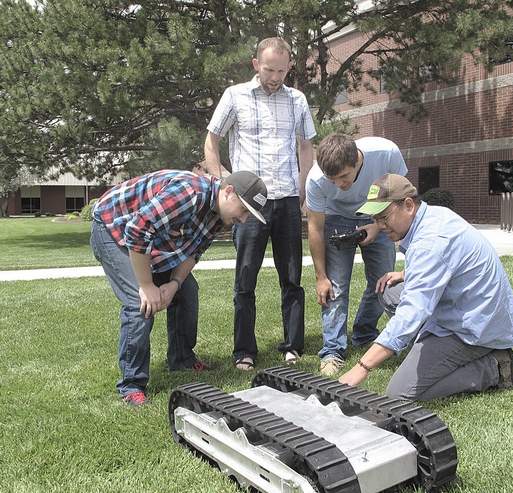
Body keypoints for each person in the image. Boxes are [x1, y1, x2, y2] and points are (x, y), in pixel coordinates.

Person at [339, 174, 513, 400]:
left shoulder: (432, 240)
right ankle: (429, 351)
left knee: (400, 392)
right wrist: (405, 274)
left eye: (383, 217)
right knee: (390, 291)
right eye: (376, 218)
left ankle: (493, 368)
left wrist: (362, 367)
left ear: (408, 205)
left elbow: (413, 311)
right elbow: (447, 265)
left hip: (472, 327)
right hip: (462, 308)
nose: (380, 225)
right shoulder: (432, 216)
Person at [90, 169, 267, 405]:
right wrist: (146, 285)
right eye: (244, 210)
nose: (244, 219)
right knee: (139, 303)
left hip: (142, 234)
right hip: (112, 226)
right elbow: (137, 230)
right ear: (229, 192)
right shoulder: (190, 193)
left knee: (187, 290)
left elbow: (193, 251)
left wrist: (174, 284)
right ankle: (131, 385)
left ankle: (181, 359)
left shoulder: (219, 213)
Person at [203, 37, 316, 370]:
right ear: (255, 64)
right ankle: (244, 351)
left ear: (289, 68)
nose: (275, 76)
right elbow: (211, 141)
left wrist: (303, 187)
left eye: (282, 70)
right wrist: (223, 182)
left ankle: (293, 346)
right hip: (249, 205)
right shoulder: (234, 96)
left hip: (286, 199)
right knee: (245, 279)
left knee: (292, 277)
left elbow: (307, 146)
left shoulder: (297, 99)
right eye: (269, 69)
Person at [306, 133, 408, 376]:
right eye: (333, 180)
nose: (339, 184)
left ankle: (364, 335)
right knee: (336, 287)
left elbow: (402, 197)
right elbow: (315, 228)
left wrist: (378, 224)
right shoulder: (316, 180)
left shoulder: (387, 153)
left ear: (357, 161)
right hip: (335, 220)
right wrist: (321, 276)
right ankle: (332, 351)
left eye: (344, 177)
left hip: (379, 214)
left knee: (383, 282)